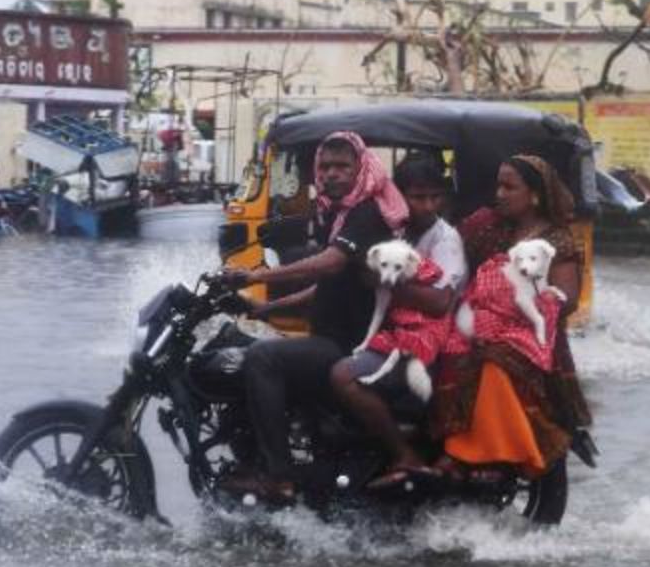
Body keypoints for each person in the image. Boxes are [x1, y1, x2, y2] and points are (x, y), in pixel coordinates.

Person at [219, 131, 408, 503]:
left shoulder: (366, 212)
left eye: (342, 166)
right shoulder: (334, 214)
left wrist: (257, 275)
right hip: (333, 335)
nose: (332, 174)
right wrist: (266, 309)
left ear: (360, 169)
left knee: (262, 358)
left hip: (350, 344)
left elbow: (331, 262)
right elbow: (328, 283)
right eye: (325, 167)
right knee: (255, 347)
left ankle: (278, 476)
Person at [429, 155, 592, 481]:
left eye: (509, 187)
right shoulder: (485, 225)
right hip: (477, 319)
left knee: (492, 361)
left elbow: (567, 300)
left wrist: (512, 311)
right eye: (498, 186)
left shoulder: (556, 238)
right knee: (443, 349)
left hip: (531, 330)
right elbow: (448, 250)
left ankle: (483, 452)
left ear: (534, 194)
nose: (500, 194)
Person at [328, 153, 467, 488]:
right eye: (418, 197)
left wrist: (381, 280)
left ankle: (403, 453)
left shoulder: (444, 239)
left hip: (427, 337)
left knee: (342, 375)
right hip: (394, 331)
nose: (428, 205)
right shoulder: (395, 229)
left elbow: (439, 302)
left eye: (435, 197)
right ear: (399, 196)